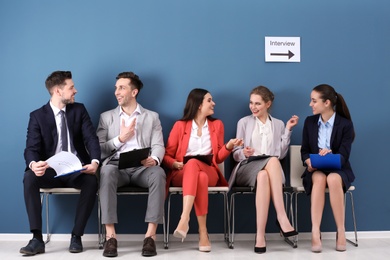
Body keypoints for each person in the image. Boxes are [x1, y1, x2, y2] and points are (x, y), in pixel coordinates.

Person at [21, 71, 101, 256]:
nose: (76, 90)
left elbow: (91, 139)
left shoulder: (79, 110)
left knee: (91, 181)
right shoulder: (37, 116)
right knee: (29, 177)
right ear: (58, 90)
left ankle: (76, 236)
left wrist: (95, 162)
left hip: (75, 170)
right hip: (50, 171)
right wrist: (33, 164)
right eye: (71, 87)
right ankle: (36, 239)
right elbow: (31, 148)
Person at [163, 88, 243, 252]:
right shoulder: (180, 126)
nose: (213, 103)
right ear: (199, 104)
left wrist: (229, 146)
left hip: (209, 170)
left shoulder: (217, 125)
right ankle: (203, 232)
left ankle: (185, 218)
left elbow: (218, 158)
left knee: (196, 167)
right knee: (197, 174)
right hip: (182, 172)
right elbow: (166, 155)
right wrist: (174, 164)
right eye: (209, 100)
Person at [97, 71, 166, 257]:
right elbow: (100, 149)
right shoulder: (106, 117)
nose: (116, 92)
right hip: (116, 166)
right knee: (106, 172)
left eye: (121, 88)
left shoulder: (152, 117)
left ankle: (150, 236)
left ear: (134, 92)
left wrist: (155, 159)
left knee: (158, 173)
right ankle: (110, 236)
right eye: (116, 88)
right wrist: (120, 139)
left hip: (143, 167)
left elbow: (159, 145)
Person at [229, 86, 299, 254]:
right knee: (272, 162)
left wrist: (288, 130)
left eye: (258, 103)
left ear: (268, 104)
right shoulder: (244, 122)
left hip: (270, 172)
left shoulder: (279, 124)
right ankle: (282, 217)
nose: (253, 107)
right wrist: (243, 153)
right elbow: (235, 154)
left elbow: (281, 154)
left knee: (264, 174)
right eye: (251, 103)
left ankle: (260, 235)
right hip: (247, 167)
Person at [301, 84, 355, 253]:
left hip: (338, 169)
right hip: (315, 169)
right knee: (319, 178)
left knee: (332, 178)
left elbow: (344, 155)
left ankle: (341, 231)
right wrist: (308, 161)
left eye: (314, 101)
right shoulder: (309, 122)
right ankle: (315, 231)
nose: (311, 104)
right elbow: (304, 151)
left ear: (327, 103)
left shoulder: (345, 125)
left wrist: (331, 153)